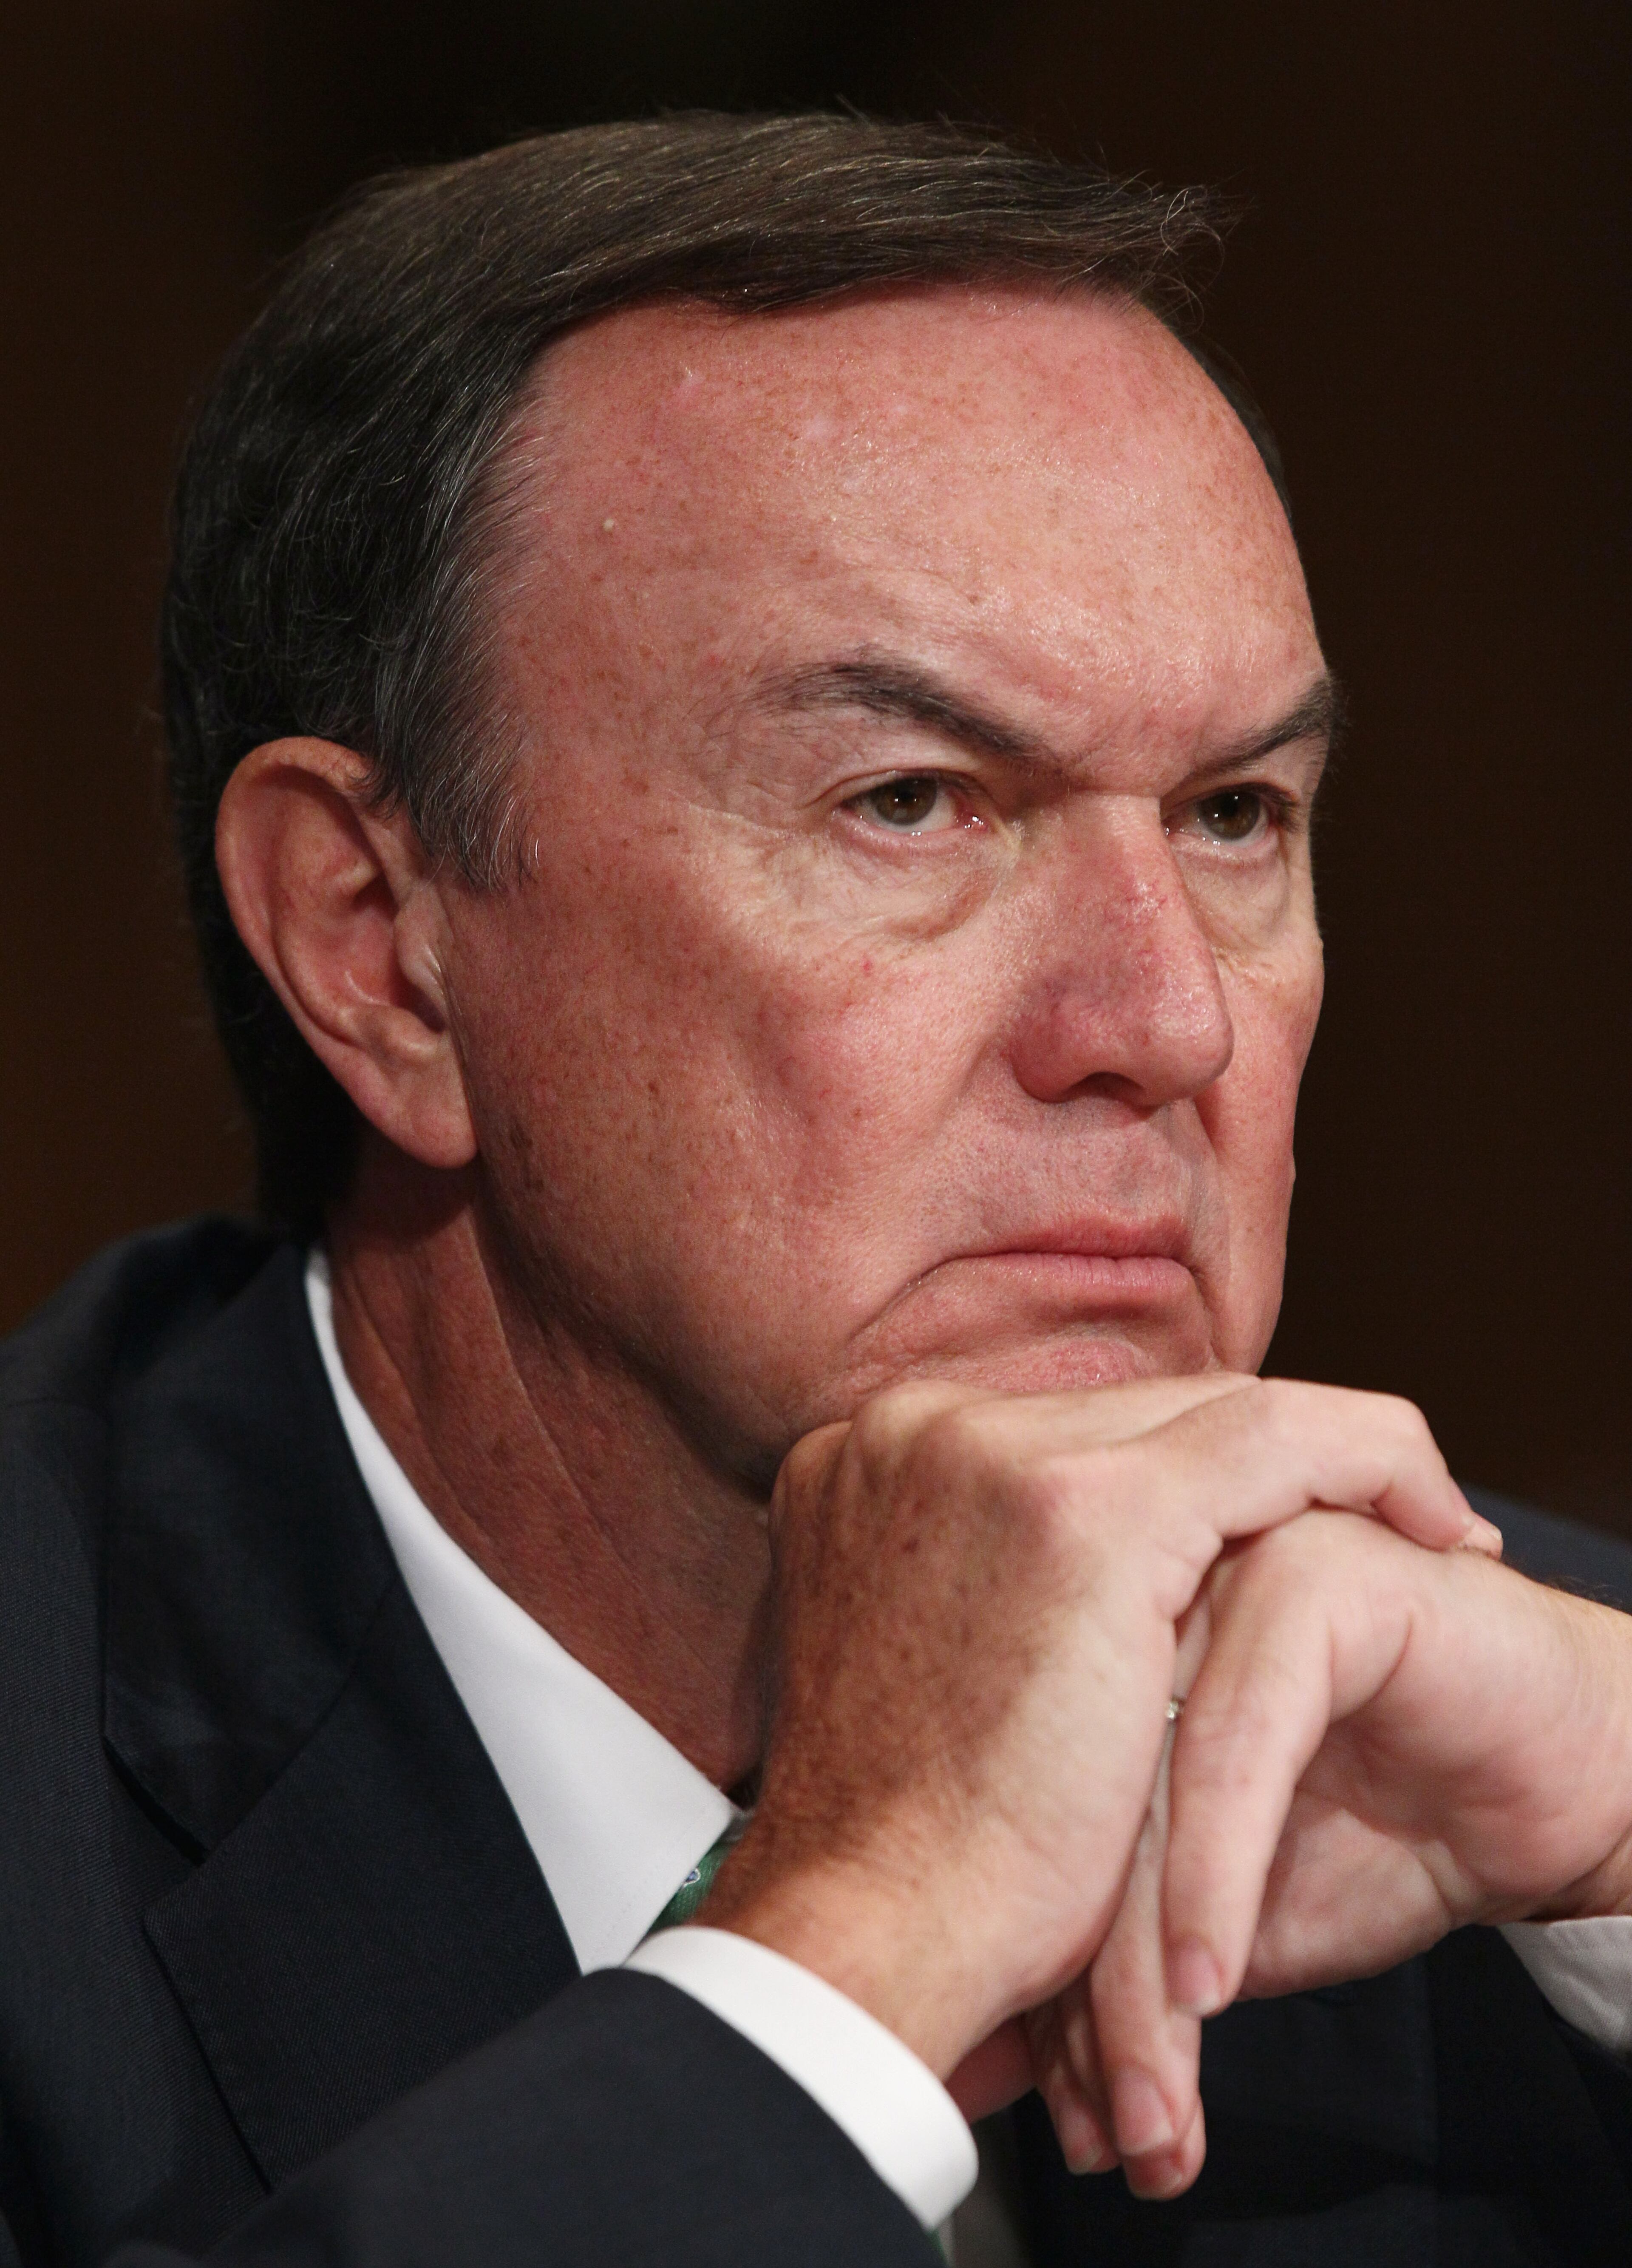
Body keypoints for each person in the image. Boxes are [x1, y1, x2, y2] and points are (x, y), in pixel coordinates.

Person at [3, 113, 1631, 2268]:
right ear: (381, 944)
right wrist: (845, 1952)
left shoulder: (1531, 1715)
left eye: (1238, 810)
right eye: (914, 801)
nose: (1168, 1023)